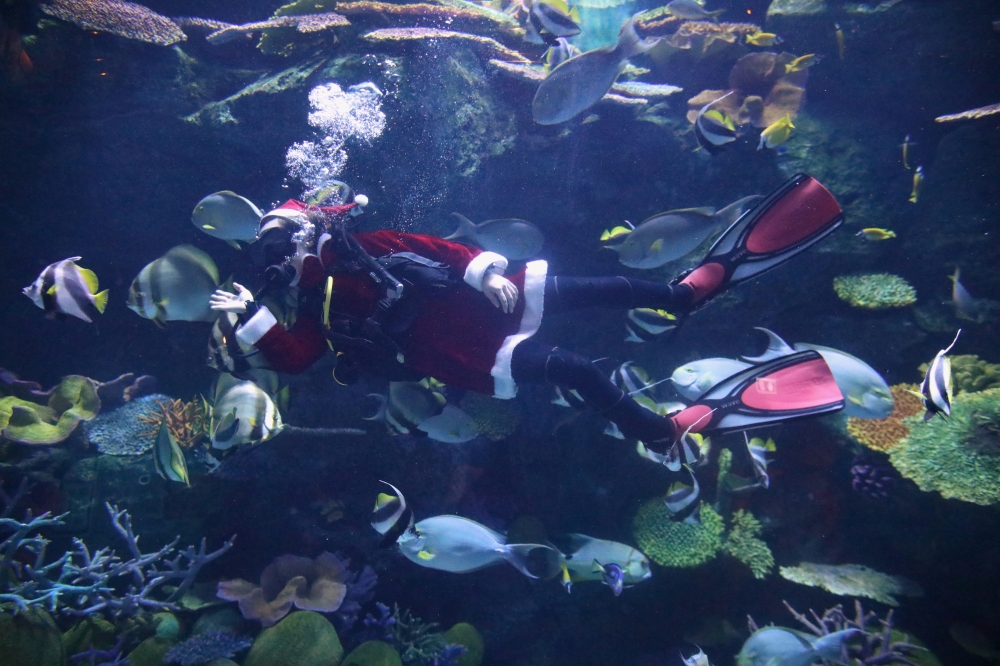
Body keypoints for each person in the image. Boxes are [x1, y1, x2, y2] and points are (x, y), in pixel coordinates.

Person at [210, 174, 846, 453]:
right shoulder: (306, 308)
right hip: (463, 353)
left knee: (606, 287)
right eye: (270, 251)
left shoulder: (358, 248)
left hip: (484, 298)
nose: (280, 260)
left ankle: (686, 292)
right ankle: (660, 431)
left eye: (280, 244)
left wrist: (483, 271)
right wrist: (250, 319)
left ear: (304, 234)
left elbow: (433, 248)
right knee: (573, 368)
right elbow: (299, 360)